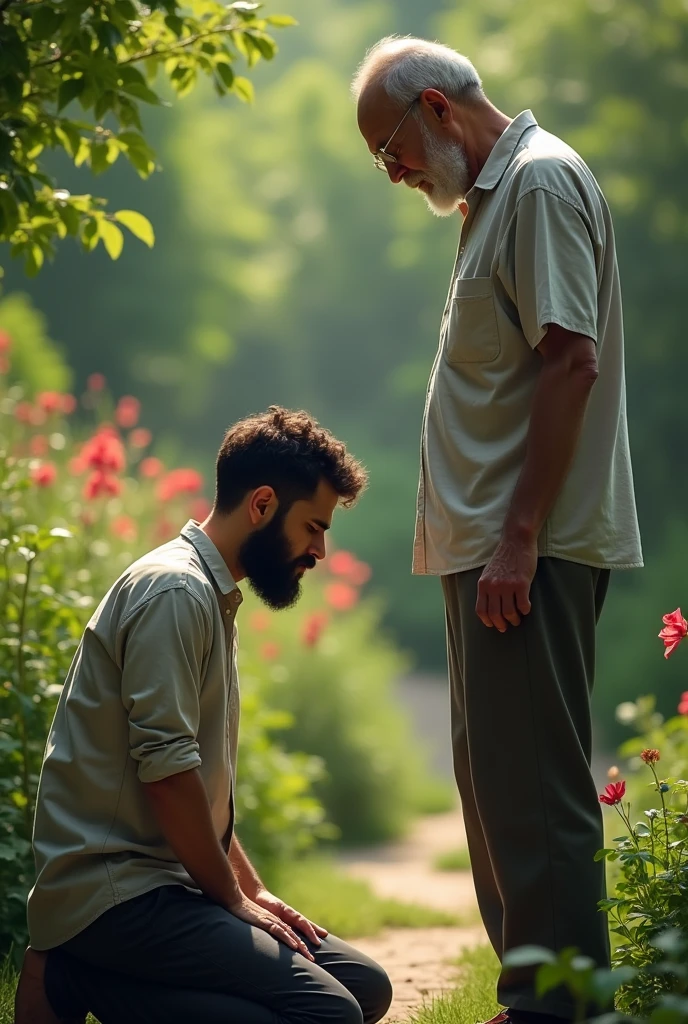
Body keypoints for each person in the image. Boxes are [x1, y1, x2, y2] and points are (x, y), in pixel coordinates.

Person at [352, 36, 643, 1024]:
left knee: (534, 794)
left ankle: (559, 1010)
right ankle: (536, 999)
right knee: (494, 787)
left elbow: (570, 362)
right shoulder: (489, 202)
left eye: (385, 148)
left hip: (525, 552)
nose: (388, 173)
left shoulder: (540, 184)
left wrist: (517, 537)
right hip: (487, 550)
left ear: (434, 107)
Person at [15, 406, 392, 1024]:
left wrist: (250, 887)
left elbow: (197, 786)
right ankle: (70, 979)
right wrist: (228, 897)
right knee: (328, 1014)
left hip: (170, 883)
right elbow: (166, 773)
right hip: (113, 897)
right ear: (263, 504)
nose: (321, 550)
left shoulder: (209, 594)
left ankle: (92, 980)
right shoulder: (174, 592)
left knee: (363, 986)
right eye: (314, 527)